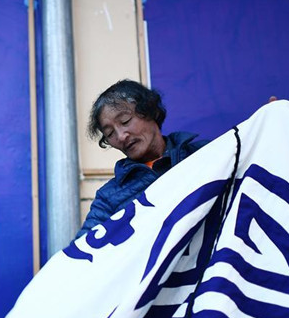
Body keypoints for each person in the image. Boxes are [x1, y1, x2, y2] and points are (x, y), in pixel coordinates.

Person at [76, 79, 208, 238]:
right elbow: (85, 245)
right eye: (110, 133)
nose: (121, 136)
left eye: (125, 121)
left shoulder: (205, 154)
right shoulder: (108, 198)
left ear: (152, 111)